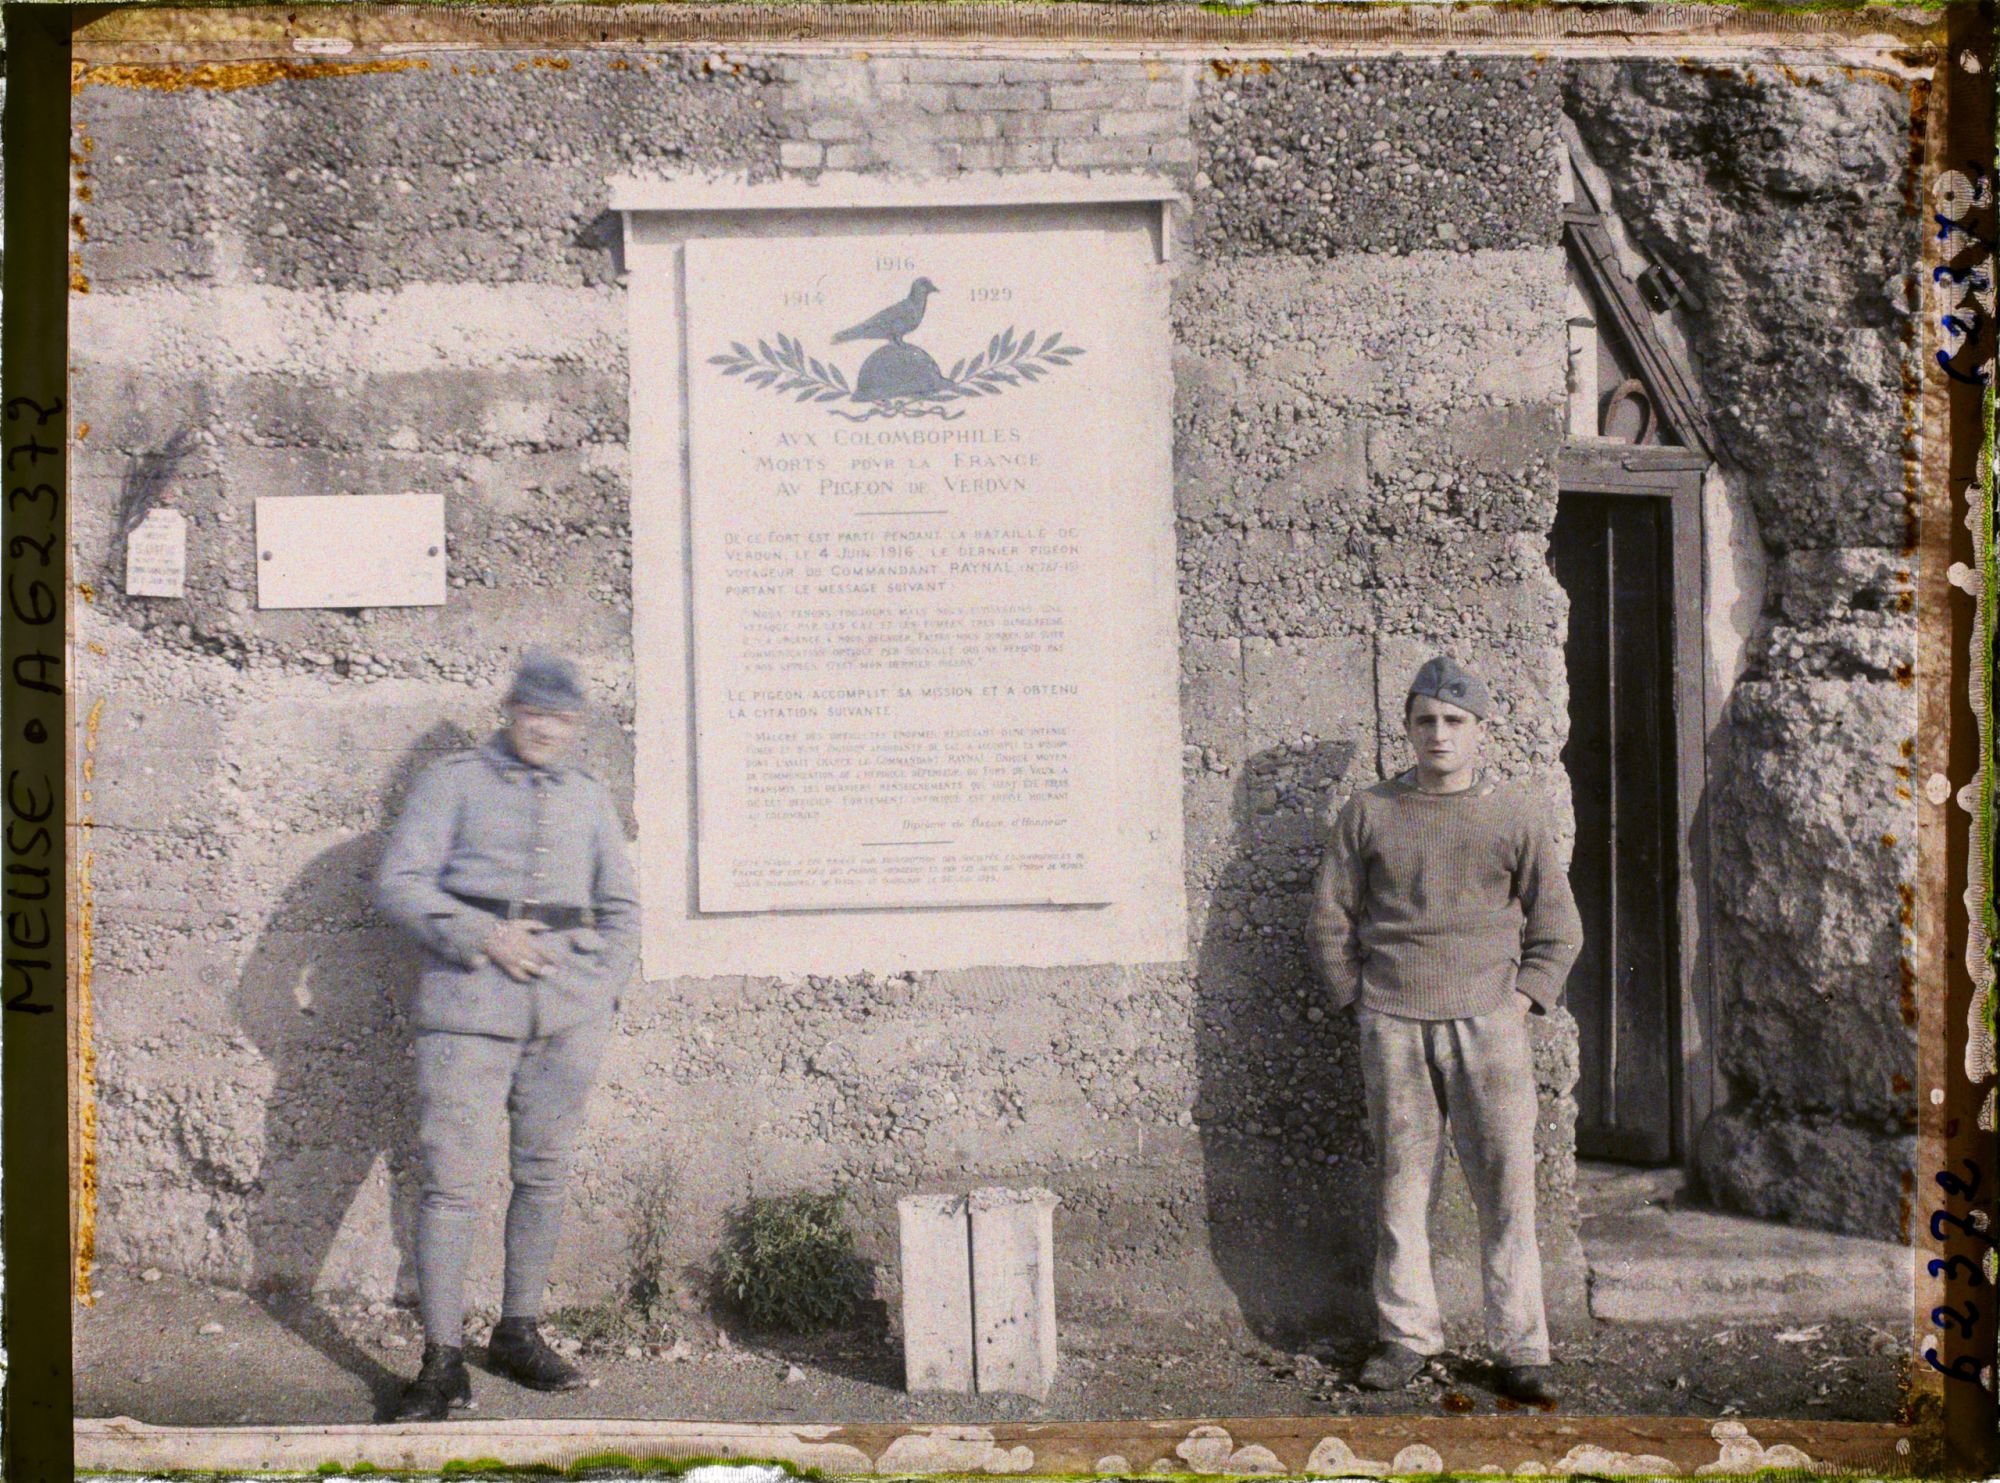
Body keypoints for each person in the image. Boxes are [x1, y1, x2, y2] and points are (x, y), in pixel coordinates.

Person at [1308, 656, 1582, 1405]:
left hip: (1488, 1026)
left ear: (1479, 731)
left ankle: (1521, 1346)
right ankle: (1406, 1335)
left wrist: (1521, 1001)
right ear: (1406, 728)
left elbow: (1558, 926)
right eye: (1425, 720)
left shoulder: (1513, 814)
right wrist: (1354, 1002)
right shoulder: (1370, 811)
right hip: (1393, 1023)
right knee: (1401, 1184)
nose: (1439, 734)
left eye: (1454, 721)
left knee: (1507, 1187)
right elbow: (1330, 915)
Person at [375, 650, 641, 1421]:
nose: (545, 729)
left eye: (560, 718)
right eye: (533, 714)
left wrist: (599, 991)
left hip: (566, 1019)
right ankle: (440, 1359)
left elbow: (622, 909)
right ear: (511, 712)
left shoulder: (589, 800)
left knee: (545, 1172)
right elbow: (398, 882)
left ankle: (518, 1331)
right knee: (452, 1183)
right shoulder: (453, 782)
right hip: (467, 1012)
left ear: (576, 724)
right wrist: (482, 934)